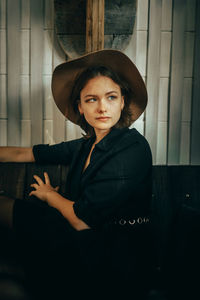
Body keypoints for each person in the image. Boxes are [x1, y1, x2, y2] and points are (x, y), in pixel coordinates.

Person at [0, 50, 154, 299]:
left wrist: (50, 196)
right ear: (80, 107)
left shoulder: (132, 148)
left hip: (116, 260)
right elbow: (26, 153)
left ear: (123, 101)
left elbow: (83, 220)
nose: (102, 107)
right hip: (80, 241)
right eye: (91, 99)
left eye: (111, 97)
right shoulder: (84, 145)